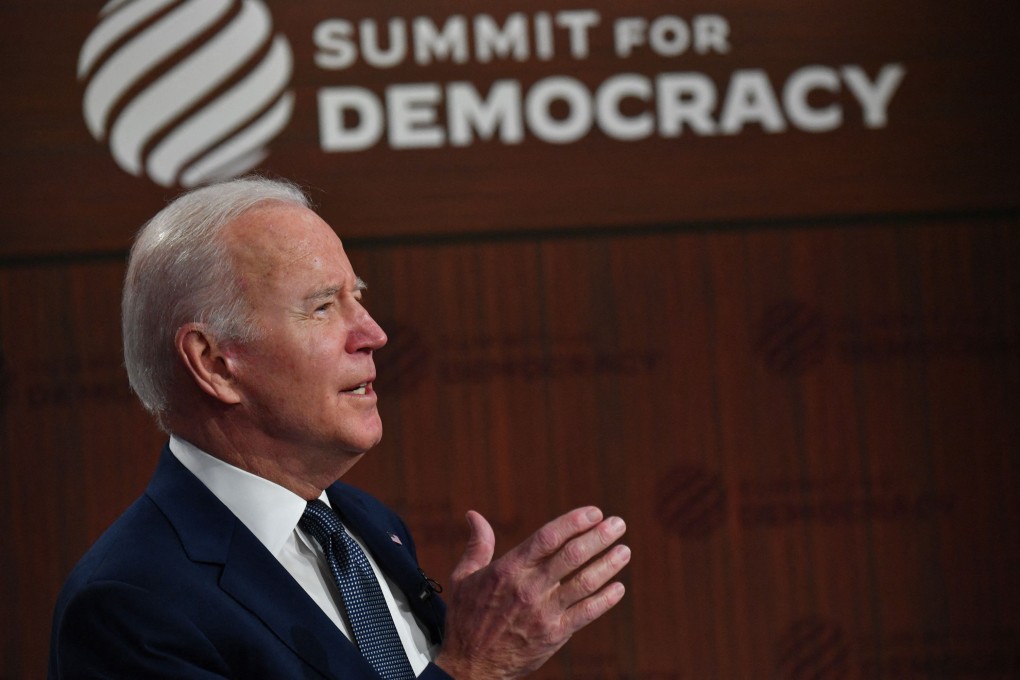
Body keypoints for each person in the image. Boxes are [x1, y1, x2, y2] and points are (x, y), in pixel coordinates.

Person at [48, 176, 630, 679]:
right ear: (215, 363)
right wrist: (472, 666)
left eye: (358, 297)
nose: (373, 333)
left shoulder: (366, 523)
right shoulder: (129, 605)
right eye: (323, 307)